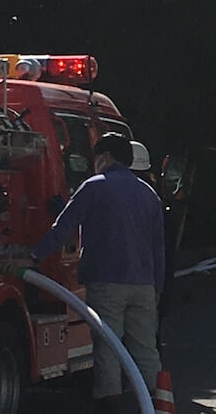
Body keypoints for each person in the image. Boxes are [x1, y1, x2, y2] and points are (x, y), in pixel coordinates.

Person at [32, 133, 165, 414]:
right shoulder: (148, 194)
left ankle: (110, 407)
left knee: (109, 349)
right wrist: (157, 289)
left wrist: (33, 256)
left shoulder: (94, 187)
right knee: (145, 349)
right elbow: (158, 249)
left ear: (104, 157)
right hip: (144, 284)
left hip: (107, 282)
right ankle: (158, 403)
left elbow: (63, 229)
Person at [130, 140, 177, 356]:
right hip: (152, 281)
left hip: (125, 279)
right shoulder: (154, 198)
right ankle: (151, 382)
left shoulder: (130, 195)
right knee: (148, 338)